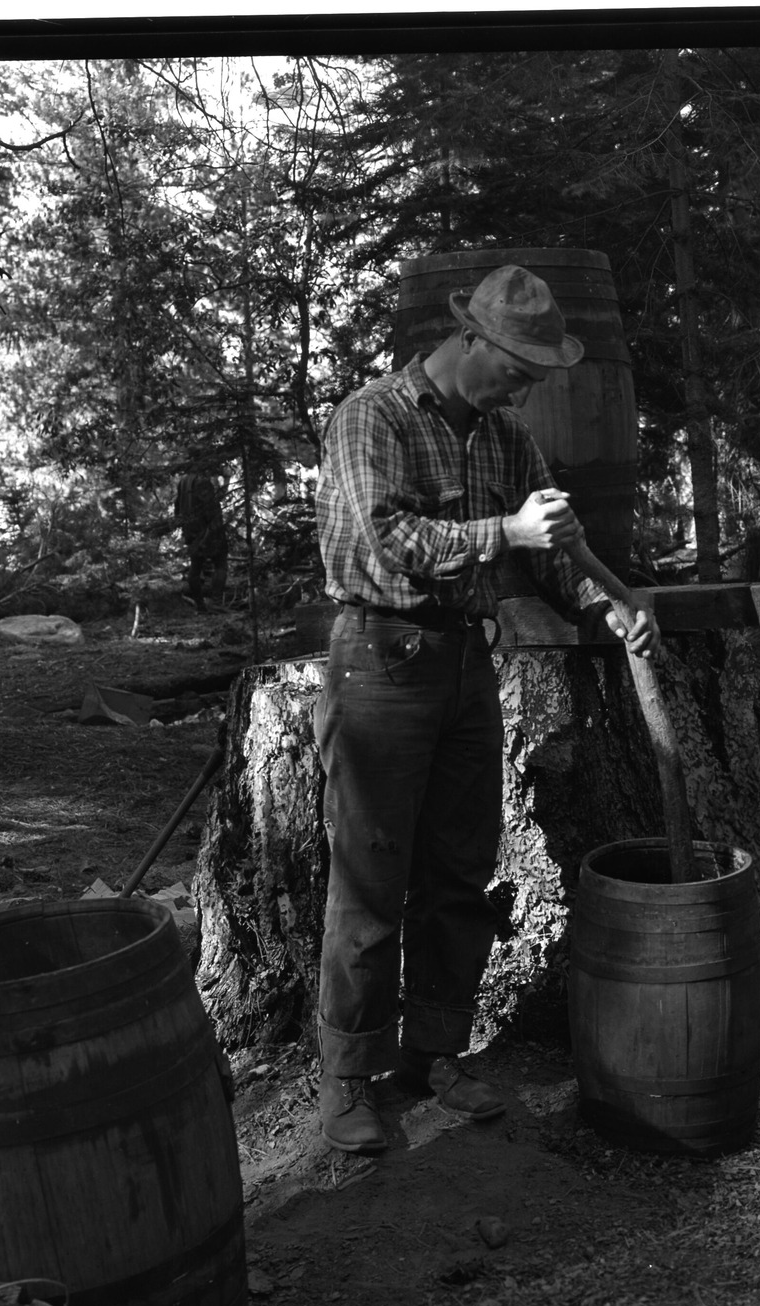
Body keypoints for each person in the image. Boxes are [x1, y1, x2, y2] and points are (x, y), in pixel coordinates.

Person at [312, 263, 657, 1154]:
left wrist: (609, 607)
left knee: (458, 873)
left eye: (535, 373)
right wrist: (505, 531)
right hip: (379, 660)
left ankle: (433, 1053)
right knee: (370, 879)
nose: (524, 386)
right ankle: (348, 1076)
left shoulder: (505, 439)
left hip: (467, 663)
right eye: (514, 367)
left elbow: (556, 554)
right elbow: (387, 540)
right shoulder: (373, 416)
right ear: (468, 338)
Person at [174, 467, 229, 610]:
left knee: (196, 567)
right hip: (207, 532)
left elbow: (177, 507)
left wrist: (184, 526)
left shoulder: (183, 481)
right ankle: (215, 603)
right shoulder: (202, 481)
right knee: (220, 564)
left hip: (191, 531)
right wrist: (214, 529)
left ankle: (201, 606)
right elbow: (211, 507)